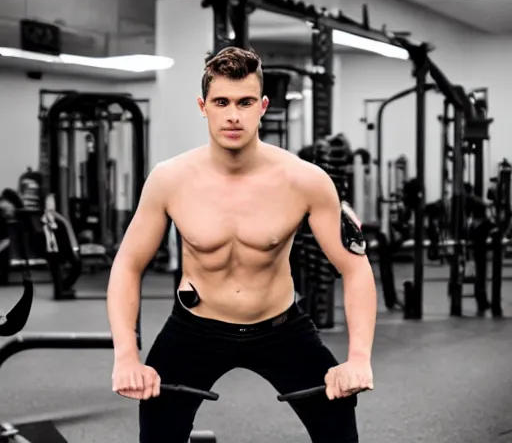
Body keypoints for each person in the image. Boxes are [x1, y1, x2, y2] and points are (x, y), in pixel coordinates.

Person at [107, 47, 377, 443]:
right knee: (158, 429)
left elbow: (355, 268)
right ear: (203, 106)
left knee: (338, 424)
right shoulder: (170, 179)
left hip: (281, 327)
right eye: (222, 102)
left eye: (245, 102)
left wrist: (358, 359)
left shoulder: (306, 180)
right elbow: (127, 265)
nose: (233, 114)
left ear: (262, 106)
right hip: (194, 329)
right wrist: (126, 357)